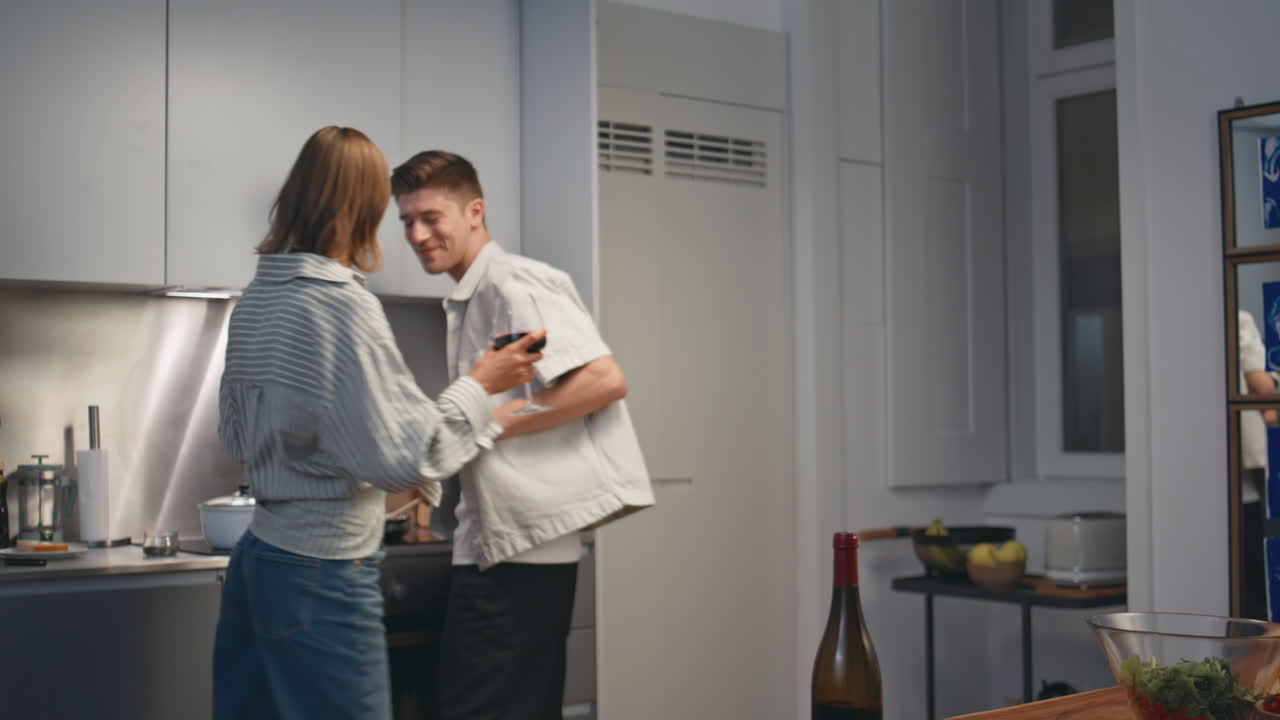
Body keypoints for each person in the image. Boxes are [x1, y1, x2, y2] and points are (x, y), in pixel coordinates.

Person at [213, 127, 544, 720]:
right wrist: (482, 383)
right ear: (363, 207)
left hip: (258, 561)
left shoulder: (257, 299)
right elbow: (404, 455)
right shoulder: (343, 305)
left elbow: (236, 434)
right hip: (323, 569)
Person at [392, 150, 655, 720]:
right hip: (507, 546)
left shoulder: (513, 283)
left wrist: (493, 422)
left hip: (521, 554)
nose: (416, 235)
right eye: (407, 221)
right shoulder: (475, 294)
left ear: (474, 212)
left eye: (431, 217)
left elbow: (604, 380)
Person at [1239, 309, 1276, 620]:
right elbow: (1261, 385)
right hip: (1244, 467)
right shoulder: (1238, 319)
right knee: (1253, 554)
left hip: (1222, 463)